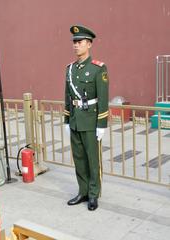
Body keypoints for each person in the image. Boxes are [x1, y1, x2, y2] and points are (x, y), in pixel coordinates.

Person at [64, 25, 109, 211]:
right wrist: (67, 119)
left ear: (89, 44)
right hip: (75, 120)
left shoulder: (98, 68)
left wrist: (102, 124)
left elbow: (103, 98)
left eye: (80, 42)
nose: (76, 45)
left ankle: (93, 194)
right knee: (79, 159)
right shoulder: (69, 69)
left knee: (92, 160)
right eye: (74, 42)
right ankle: (82, 191)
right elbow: (67, 95)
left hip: (91, 122)